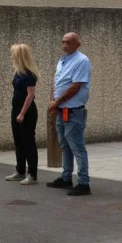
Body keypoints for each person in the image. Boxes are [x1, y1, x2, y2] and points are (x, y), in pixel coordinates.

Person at [47, 32, 92, 197]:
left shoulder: (81, 60)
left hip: (73, 111)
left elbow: (75, 87)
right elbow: (57, 82)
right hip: (62, 110)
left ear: (77, 44)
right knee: (65, 146)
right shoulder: (63, 59)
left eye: (68, 42)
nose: (64, 45)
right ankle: (66, 177)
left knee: (77, 147)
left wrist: (57, 102)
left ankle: (83, 182)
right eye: (63, 42)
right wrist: (53, 103)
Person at [6, 44, 40, 185]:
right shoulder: (17, 72)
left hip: (26, 110)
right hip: (16, 108)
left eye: (13, 54)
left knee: (28, 142)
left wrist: (22, 113)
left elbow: (30, 95)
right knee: (18, 141)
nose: (11, 56)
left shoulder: (29, 73)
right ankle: (20, 170)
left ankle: (32, 174)